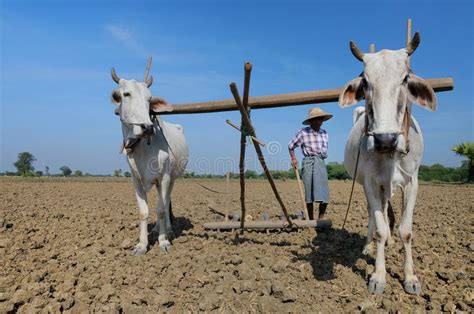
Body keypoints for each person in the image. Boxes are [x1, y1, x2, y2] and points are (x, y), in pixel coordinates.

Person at [288, 107, 332, 220]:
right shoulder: (303, 132)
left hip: (320, 162)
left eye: (321, 119)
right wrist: (294, 158)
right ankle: (311, 219)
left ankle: (321, 217)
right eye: (317, 119)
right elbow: (291, 146)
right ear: (311, 121)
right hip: (308, 162)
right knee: (309, 193)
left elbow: (324, 151)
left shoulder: (325, 133)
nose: (319, 122)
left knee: (325, 193)